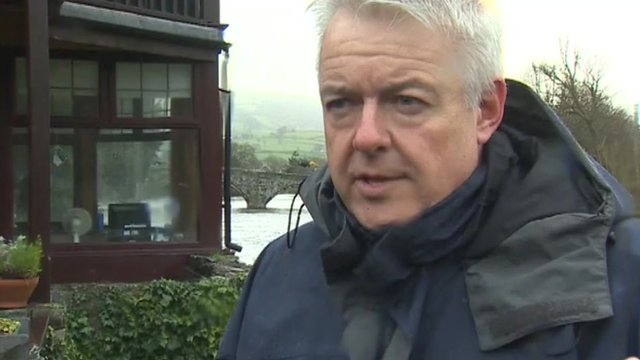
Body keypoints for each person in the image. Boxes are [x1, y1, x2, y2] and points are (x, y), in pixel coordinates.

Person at [217, 0, 640, 359]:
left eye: (406, 101)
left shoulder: (614, 278)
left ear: (486, 109)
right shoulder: (280, 271)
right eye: (341, 102)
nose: (366, 137)